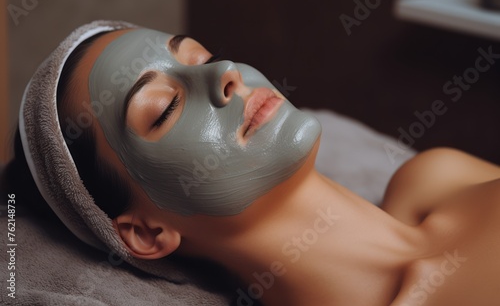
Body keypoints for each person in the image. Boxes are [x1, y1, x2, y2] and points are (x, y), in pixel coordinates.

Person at [3, 21, 500, 306]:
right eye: (166, 108)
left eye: (199, 57)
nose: (225, 73)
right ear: (147, 233)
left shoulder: (437, 175)